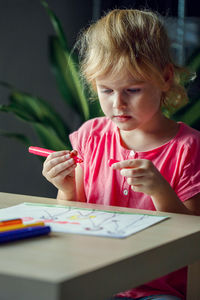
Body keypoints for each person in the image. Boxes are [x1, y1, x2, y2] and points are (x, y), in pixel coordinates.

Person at [42, 8, 200, 300]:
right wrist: (65, 188)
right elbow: (71, 216)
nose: (118, 104)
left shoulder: (187, 147)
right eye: (106, 90)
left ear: (165, 78)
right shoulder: (91, 136)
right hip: (93, 279)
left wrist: (160, 191)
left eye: (133, 89)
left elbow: (194, 238)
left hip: (156, 290)